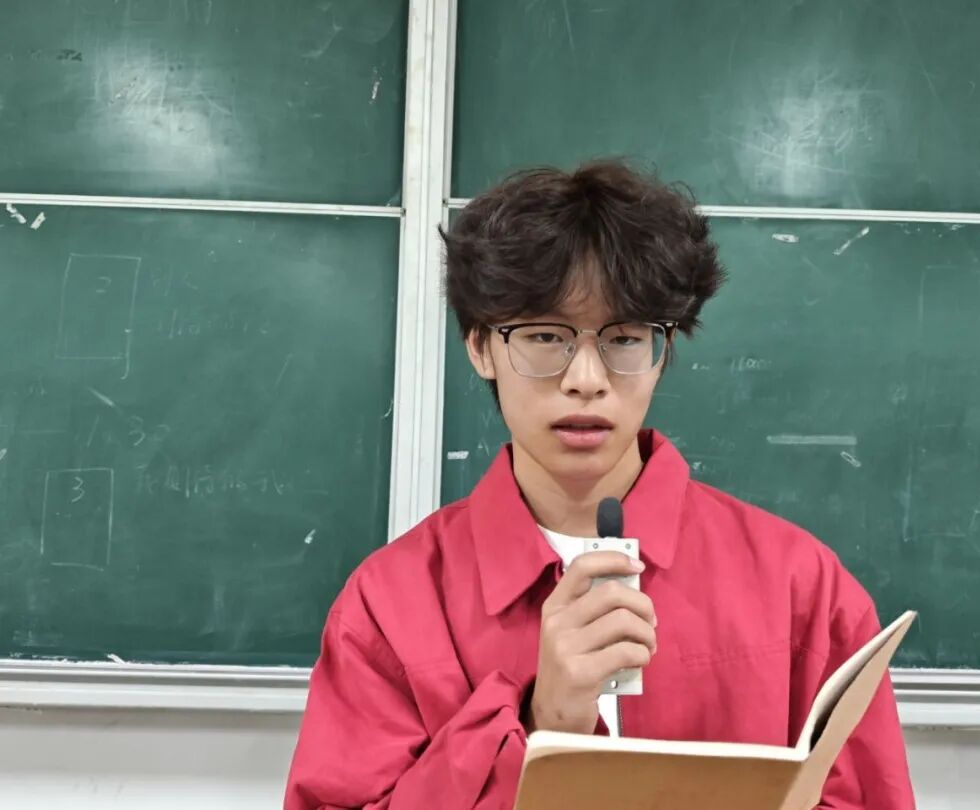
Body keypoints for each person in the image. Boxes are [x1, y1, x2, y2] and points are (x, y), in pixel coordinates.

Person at [284, 161, 915, 809]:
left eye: (625, 337)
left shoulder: (800, 586)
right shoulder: (390, 606)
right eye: (544, 335)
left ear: (663, 352)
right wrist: (541, 724)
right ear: (479, 347)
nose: (585, 379)